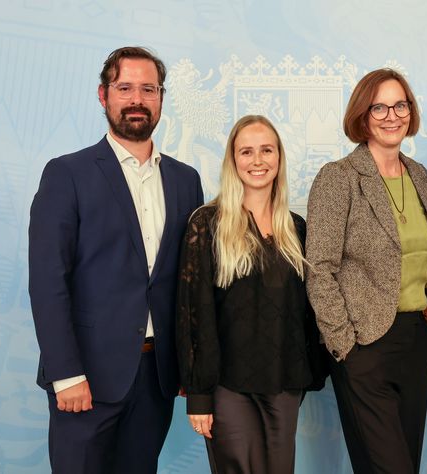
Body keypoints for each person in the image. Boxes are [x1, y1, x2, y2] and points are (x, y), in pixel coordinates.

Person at [28, 46, 204, 473]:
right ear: (103, 95)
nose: (137, 99)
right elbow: (48, 281)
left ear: (161, 98)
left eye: (149, 88)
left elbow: (188, 284)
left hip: (156, 377)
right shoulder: (67, 174)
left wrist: (189, 366)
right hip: (85, 377)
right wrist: (65, 374)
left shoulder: (186, 180)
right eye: (125, 88)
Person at [306, 68, 427, 473]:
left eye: (400, 104)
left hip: (415, 339)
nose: (392, 115)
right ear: (362, 115)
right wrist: (346, 346)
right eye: (380, 107)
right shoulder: (339, 178)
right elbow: (318, 267)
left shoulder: (421, 178)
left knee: (406, 461)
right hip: (364, 344)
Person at [175, 115, 326, 474]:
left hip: (285, 384)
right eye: (247, 151)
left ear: (279, 158)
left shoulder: (297, 228)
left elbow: (305, 311)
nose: (257, 161)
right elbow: (193, 311)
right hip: (227, 386)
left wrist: (311, 372)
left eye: (266, 150)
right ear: (233, 160)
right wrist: (198, 394)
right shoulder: (207, 223)